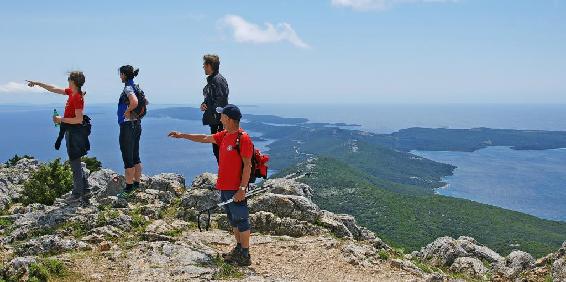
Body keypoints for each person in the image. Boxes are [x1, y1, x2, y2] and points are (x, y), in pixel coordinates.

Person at [168, 104, 252, 266]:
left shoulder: (243, 138)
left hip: (236, 188)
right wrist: (182, 135)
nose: (220, 118)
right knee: (233, 220)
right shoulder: (225, 135)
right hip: (225, 186)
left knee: (242, 220)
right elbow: (204, 138)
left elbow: (247, 165)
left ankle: (245, 255)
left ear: (228, 118)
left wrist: (242, 189)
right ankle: (239, 248)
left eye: (222, 115)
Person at [26, 72, 91, 203]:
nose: (67, 81)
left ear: (73, 81)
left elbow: (78, 119)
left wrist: (60, 119)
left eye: (69, 79)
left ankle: (77, 194)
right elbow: (54, 88)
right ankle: (85, 190)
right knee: (76, 161)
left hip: (74, 133)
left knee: (75, 163)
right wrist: (38, 83)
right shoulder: (71, 93)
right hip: (71, 131)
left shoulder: (77, 97)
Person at [117, 65, 143, 198]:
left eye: (120, 74)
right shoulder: (137, 86)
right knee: (135, 156)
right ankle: (137, 184)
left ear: (124, 75)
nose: (119, 76)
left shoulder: (128, 87)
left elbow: (135, 102)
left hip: (127, 127)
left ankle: (128, 188)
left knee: (128, 157)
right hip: (137, 124)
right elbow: (146, 102)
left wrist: (127, 111)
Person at [200, 54, 229, 163]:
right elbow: (212, 98)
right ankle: (224, 175)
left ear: (210, 65)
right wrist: (204, 104)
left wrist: (212, 112)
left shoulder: (218, 80)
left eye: (204, 65)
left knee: (219, 150)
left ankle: (226, 177)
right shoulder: (213, 80)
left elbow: (221, 100)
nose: (203, 67)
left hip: (218, 121)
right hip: (215, 120)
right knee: (217, 150)